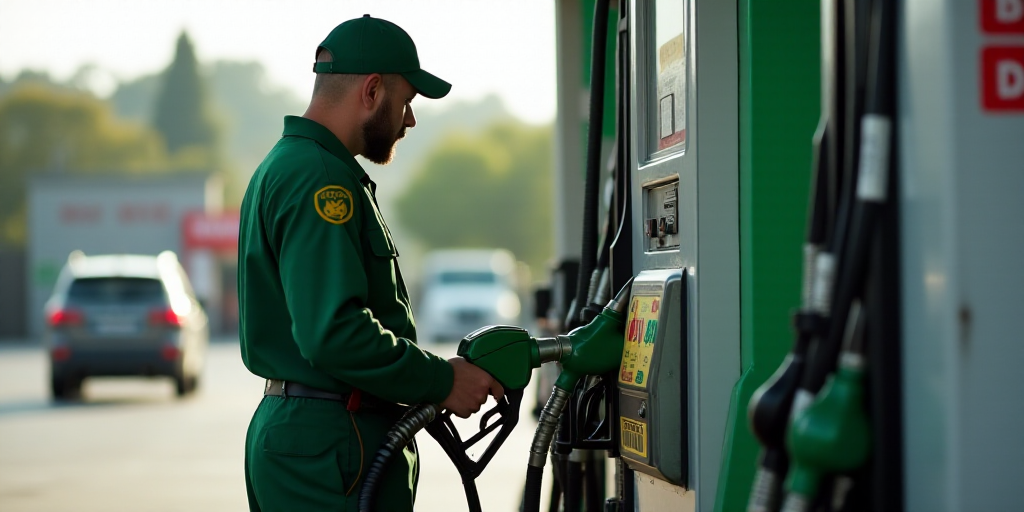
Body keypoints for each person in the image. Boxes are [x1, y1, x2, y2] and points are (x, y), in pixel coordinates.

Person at [237, 15, 503, 512]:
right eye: (406, 102)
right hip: (330, 441)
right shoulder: (320, 180)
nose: (409, 119)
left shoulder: (295, 164)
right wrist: (443, 380)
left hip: (321, 434)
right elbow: (332, 332)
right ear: (373, 90)